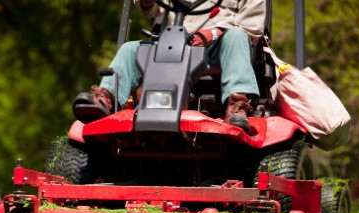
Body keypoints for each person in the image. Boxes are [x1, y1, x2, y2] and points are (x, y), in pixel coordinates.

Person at [73, 0, 266, 131]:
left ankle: (237, 106)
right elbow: (153, 8)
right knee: (131, 49)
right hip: (176, 42)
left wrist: (213, 33)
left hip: (221, 46)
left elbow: (251, 28)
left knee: (236, 36)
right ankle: (105, 99)